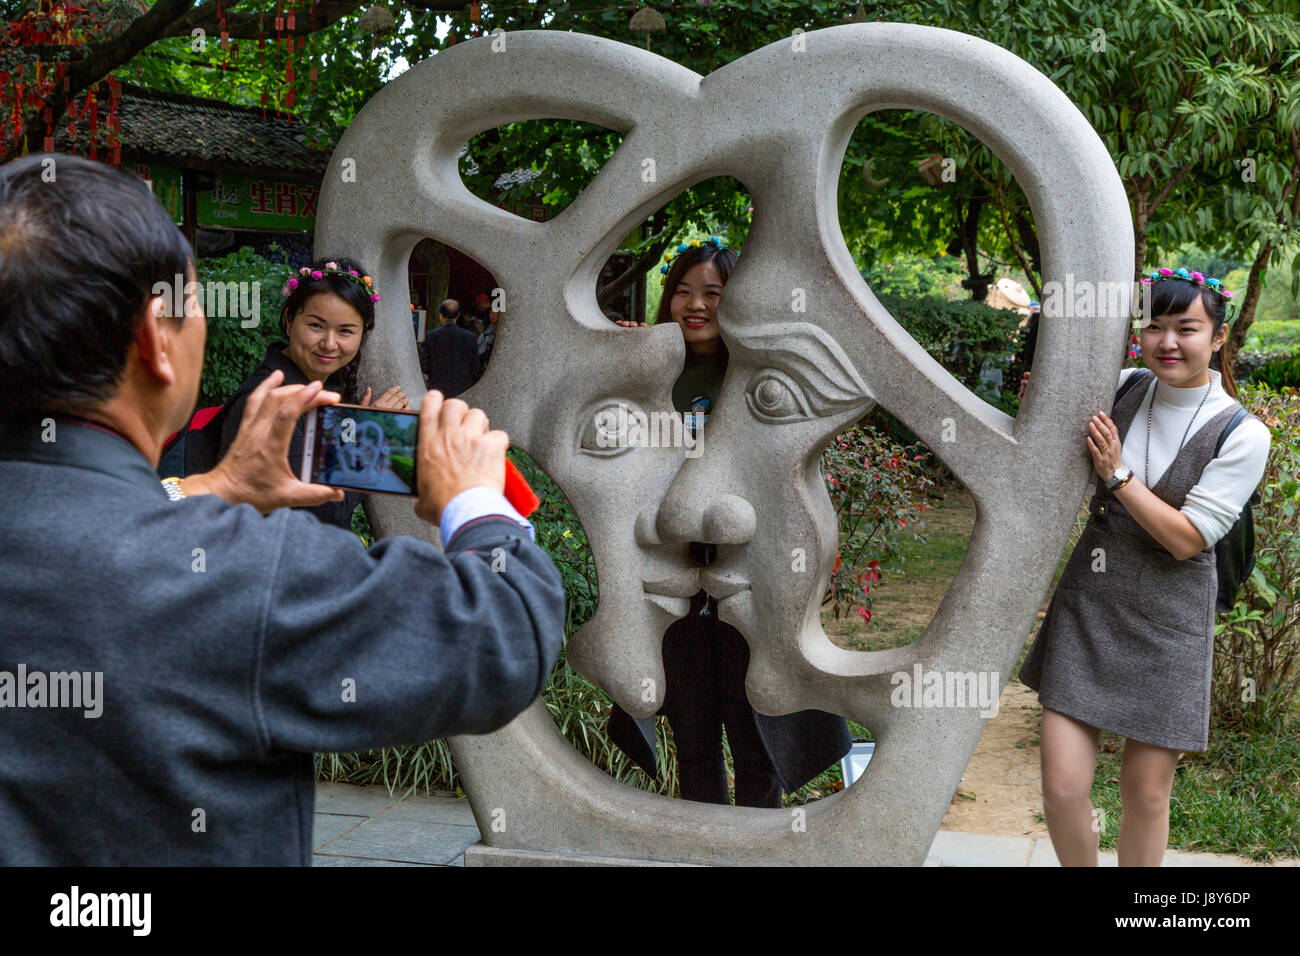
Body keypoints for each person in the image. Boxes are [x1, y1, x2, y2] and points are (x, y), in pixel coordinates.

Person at [0, 153, 565, 865]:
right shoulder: (241, 573)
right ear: (156, 340)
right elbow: (501, 635)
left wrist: (213, 488)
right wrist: (477, 501)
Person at [1017, 267, 1271, 866]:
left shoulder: (1242, 433)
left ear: (1218, 338)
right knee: (1061, 788)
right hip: (1091, 607)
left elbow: (1188, 540)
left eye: (1186, 328)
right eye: (1154, 327)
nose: (1168, 342)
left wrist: (1118, 476)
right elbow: (1050, 432)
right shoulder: (1126, 387)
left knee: (1146, 796)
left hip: (1169, 625)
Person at [607, 237, 851, 807]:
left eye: (712, 293)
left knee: (758, 733)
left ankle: (756, 844)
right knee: (693, 738)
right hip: (672, 584)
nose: (695, 305)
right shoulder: (649, 377)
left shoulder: (760, 378)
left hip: (750, 582)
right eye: (683, 292)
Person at [211, 256, 409, 530]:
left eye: (346, 331)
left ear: (362, 335)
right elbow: (324, 511)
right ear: (290, 321)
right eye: (315, 325)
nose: (329, 344)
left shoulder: (319, 390)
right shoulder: (270, 401)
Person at [422, 298, 482, 397]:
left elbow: (424, 364)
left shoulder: (430, 336)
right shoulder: (470, 337)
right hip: (463, 389)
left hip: (438, 388)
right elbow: (475, 366)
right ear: (458, 315)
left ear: (440, 315)